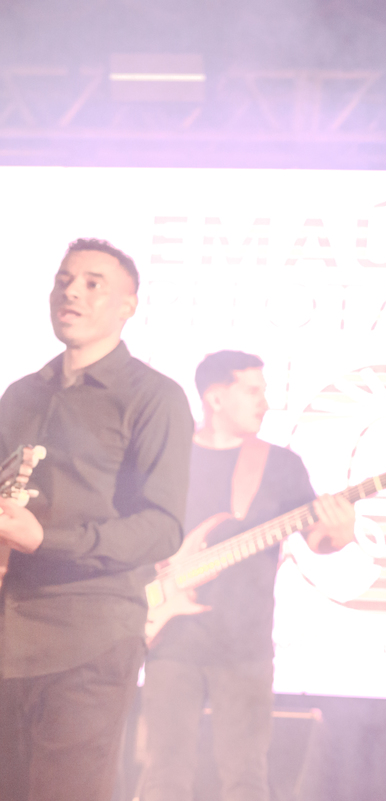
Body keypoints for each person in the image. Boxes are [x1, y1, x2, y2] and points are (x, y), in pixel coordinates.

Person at [0, 238, 194, 801]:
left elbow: (162, 527)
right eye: (63, 280)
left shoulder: (154, 397)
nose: (72, 292)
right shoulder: (22, 394)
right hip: (10, 635)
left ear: (128, 306)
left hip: (90, 638)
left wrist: (45, 539)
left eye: (92, 283)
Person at [136, 350, 356, 801]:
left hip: (246, 648)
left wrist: (340, 533)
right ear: (216, 398)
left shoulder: (280, 464)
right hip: (170, 643)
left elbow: (317, 538)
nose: (265, 403)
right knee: (164, 776)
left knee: (246, 779)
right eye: (253, 391)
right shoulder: (167, 458)